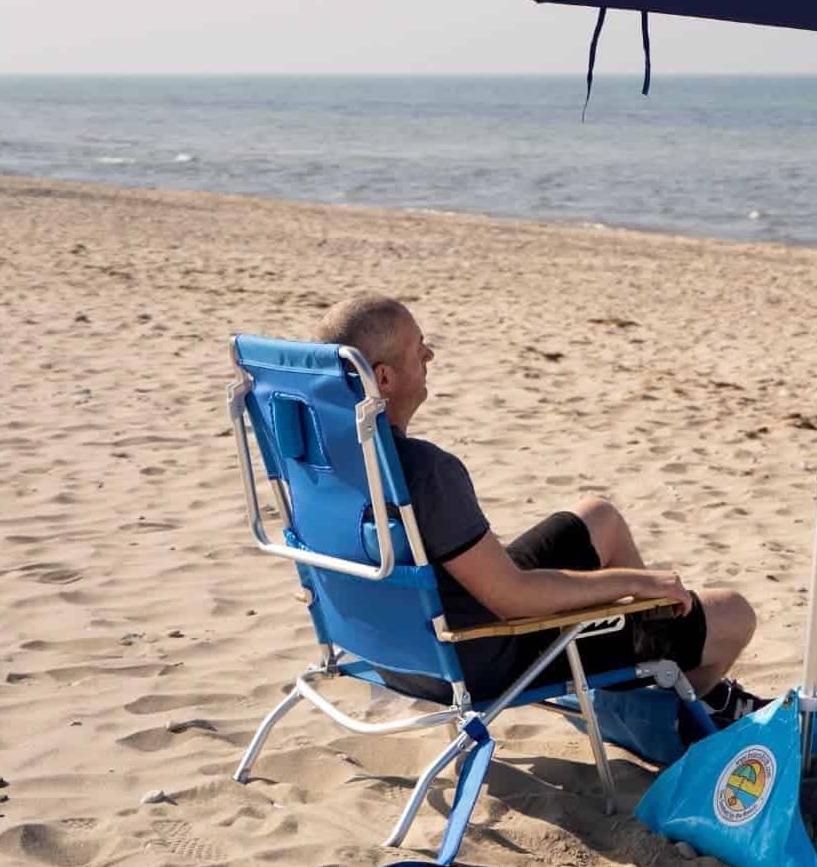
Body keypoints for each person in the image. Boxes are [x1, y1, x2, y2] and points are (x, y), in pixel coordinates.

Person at [315, 292, 763, 726]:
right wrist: (637, 582)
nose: (429, 355)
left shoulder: (320, 458)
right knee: (733, 612)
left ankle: (644, 666)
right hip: (479, 655)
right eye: (418, 347)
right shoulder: (425, 471)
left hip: (393, 652)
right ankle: (673, 705)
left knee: (598, 517)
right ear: (385, 378)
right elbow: (514, 599)